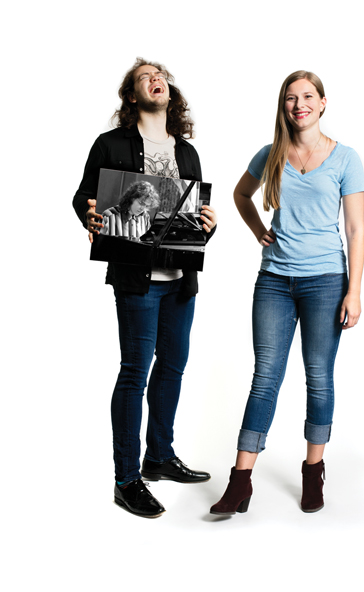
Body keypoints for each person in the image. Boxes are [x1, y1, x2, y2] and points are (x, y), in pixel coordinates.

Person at [210, 70, 364, 516]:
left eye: (308, 97)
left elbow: (355, 230)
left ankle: (313, 471)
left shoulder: (345, 158)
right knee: (266, 377)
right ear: (285, 107)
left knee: (318, 376)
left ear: (322, 103)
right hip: (275, 280)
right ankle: (241, 481)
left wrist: (354, 291)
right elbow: (241, 195)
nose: (300, 104)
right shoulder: (271, 153)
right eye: (291, 98)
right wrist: (259, 229)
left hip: (325, 281)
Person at [72, 58, 217, 518]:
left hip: (180, 281)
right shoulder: (111, 144)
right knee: (135, 372)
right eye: (143, 78)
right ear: (132, 96)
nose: (156, 80)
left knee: (172, 366)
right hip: (137, 280)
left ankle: (159, 457)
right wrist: (90, 216)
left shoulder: (187, 152)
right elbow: (83, 197)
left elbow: (192, 219)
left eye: (161, 76)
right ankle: (126, 478)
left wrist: (207, 226)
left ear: (169, 92)